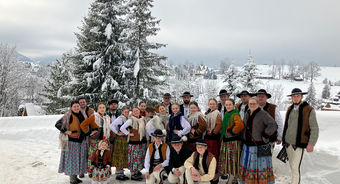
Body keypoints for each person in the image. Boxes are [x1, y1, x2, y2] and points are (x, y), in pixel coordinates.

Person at [56, 101, 98, 184]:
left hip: (81, 141)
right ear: (71, 108)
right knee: (72, 160)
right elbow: (57, 124)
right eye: (74, 106)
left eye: (77, 106)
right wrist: (66, 131)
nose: (76, 108)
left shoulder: (82, 114)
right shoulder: (68, 115)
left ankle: (75, 177)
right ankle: (72, 179)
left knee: (78, 159)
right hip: (72, 142)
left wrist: (90, 133)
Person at [282, 88, 319, 184]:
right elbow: (286, 125)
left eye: (297, 96)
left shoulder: (309, 109)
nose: (295, 98)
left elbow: (314, 128)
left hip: (299, 143)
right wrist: (283, 140)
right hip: (288, 143)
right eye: (293, 96)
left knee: (295, 168)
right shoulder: (289, 109)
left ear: (302, 97)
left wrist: (311, 143)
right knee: (292, 166)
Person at [239, 97, 277, 184]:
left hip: (258, 146)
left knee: (259, 167)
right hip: (247, 146)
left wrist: (265, 134)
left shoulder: (263, 114)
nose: (252, 105)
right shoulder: (247, 113)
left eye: (254, 103)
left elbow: (273, 125)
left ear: (258, 104)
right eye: (250, 104)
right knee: (248, 167)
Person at [218, 99, 244, 184]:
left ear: (233, 105)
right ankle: (234, 177)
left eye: (230, 104)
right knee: (229, 161)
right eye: (226, 105)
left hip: (232, 142)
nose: (228, 106)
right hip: (227, 141)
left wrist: (233, 132)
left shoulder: (234, 114)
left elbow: (240, 124)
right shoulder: (227, 114)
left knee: (233, 160)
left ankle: (233, 179)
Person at [80, 103, 112, 173]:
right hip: (95, 141)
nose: (102, 109)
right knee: (94, 156)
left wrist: (111, 139)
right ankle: (92, 172)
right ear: (97, 109)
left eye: (103, 107)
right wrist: (88, 133)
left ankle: (104, 172)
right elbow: (83, 125)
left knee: (105, 156)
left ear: (105, 109)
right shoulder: (94, 117)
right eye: (100, 107)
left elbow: (111, 129)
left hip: (104, 140)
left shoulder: (108, 118)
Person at [120, 107, 147, 181]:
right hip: (134, 143)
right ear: (132, 112)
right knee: (134, 158)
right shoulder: (131, 120)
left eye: (137, 110)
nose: (136, 112)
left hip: (141, 142)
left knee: (139, 158)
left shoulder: (142, 119)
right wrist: (128, 133)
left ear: (139, 111)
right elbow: (122, 128)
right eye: (134, 111)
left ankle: (137, 171)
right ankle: (133, 174)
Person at [109, 106, 130, 181]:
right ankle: (118, 173)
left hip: (125, 140)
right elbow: (111, 126)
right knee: (119, 155)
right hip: (120, 139)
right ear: (122, 112)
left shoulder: (127, 118)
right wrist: (117, 132)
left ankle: (121, 172)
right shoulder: (120, 118)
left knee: (123, 155)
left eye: (128, 112)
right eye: (125, 112)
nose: (126, 113)